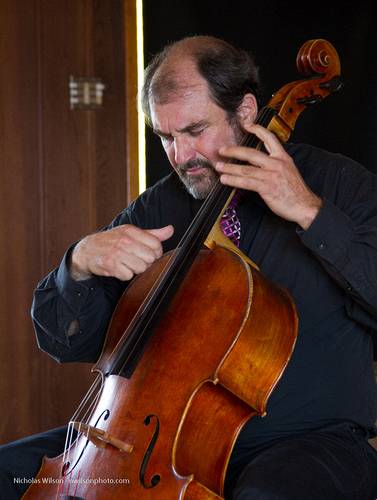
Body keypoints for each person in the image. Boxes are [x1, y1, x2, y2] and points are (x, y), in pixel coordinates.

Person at [1, 35, 377, 500]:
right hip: (158, 441)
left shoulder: (337, 184)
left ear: (244, 111)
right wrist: (78, 265)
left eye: (195, 130)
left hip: (307, 440)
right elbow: (65, 341)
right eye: (165, 137)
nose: (180, 156)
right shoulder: (161, 205)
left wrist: (309, 213)